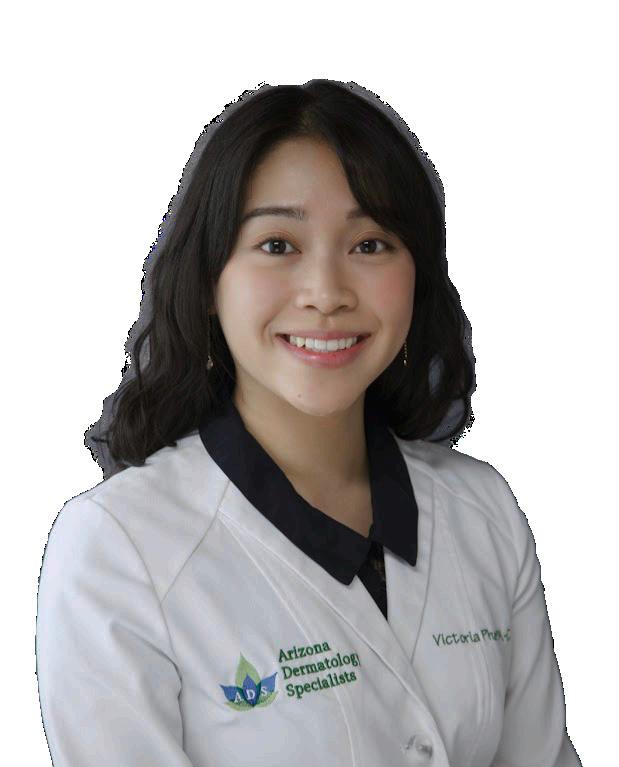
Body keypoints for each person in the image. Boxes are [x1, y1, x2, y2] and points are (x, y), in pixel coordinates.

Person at [35, 79, 582, 766]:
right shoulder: (116, 551)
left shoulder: (483, 509)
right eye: (277, 244)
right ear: (209, 281)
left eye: (370, 244)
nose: (325, 293)